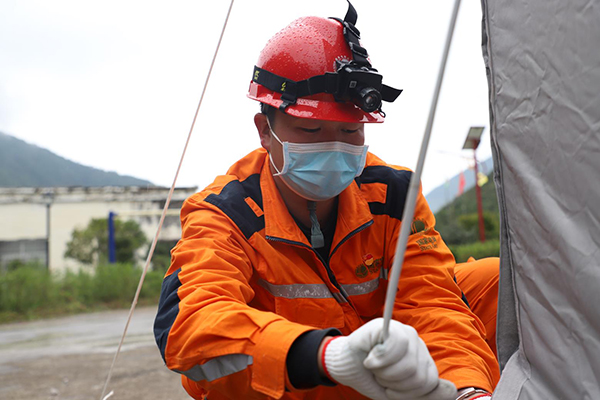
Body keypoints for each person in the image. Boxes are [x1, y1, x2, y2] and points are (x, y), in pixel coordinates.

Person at [154, 4, 500, 400]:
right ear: (265, 130)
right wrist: (324, 355)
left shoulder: (393, 195)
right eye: (310, 128)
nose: (333, 146)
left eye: (350, 130)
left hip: (384, 383)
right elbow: (190, 323)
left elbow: (433, 303)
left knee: (488, 280)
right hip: (291, 384)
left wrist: (465, 388)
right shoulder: (225, 212)